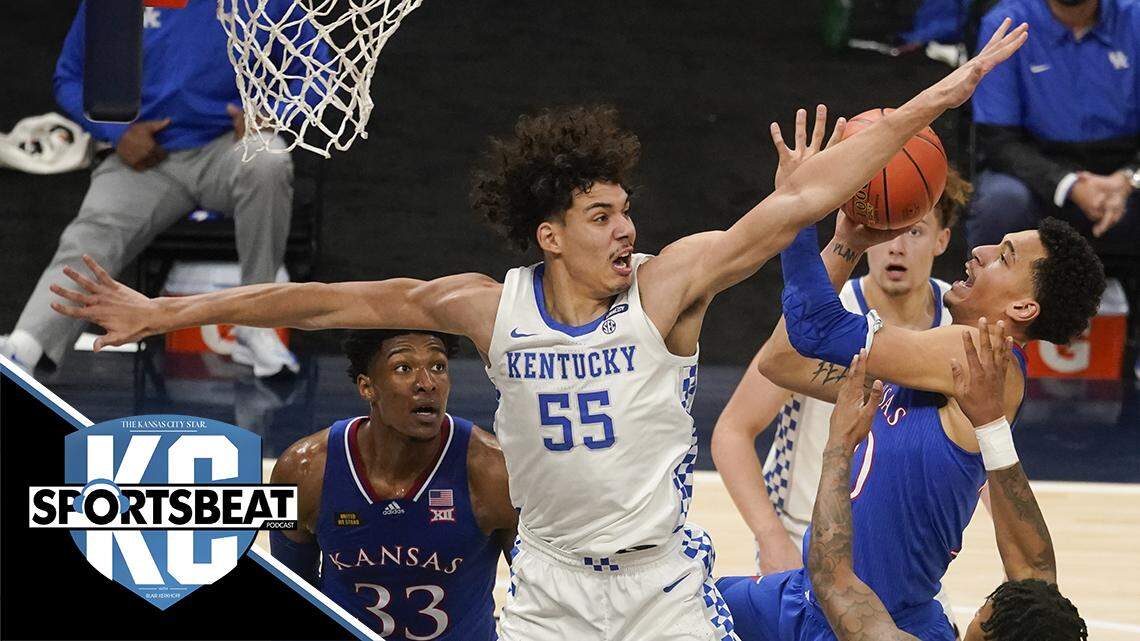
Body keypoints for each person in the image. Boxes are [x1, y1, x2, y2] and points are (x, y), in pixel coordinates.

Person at [50, 21, 1027, 640]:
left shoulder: (667, 287)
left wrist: (943, 95)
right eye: (604, 215)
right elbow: (315, 301)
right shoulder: (488, 306)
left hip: (661, 592)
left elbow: (806, 194)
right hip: (549, 594)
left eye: (627, 209)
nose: (629, 228)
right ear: (550, 232)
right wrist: (162, 311)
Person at [713, 117, 1104, 639]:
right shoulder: (933, 367)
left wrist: (801, 204)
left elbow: (814, 325)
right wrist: (847, 243)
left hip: (878, 620)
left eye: (1003, 257)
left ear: (1024, 305)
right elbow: (781, 361)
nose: (981, 252)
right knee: (661, 609)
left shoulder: (981, 356)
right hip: (804, 592)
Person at [0, 0, 322, 378]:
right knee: (93, 230)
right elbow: (70, 76)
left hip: (225, 148)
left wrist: (271, 114)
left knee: (268, 158)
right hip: (145, 154)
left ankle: (257, 323)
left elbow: (317, 72)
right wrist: (116, 132)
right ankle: (29, 344)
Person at [712, 152, 969, 575]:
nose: (897, 248)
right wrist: (770, 537)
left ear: (942, 239)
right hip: (803, 535)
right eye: (887, 231)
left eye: (914, 231)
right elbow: (732, 431)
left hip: (898, 540)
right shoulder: (828, 306)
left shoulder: (954, 322)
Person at [752, 331, 1086, 641]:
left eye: (987, 606)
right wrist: (990, 425)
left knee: (702, 606)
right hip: (804, 594)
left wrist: (839, 444)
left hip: (829, 602)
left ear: (986, 629)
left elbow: (832, 579)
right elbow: (1036, 571)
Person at [270, 329, 516, 641]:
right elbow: (292, 584)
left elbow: (540, 598)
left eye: (438, 366)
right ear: (367, 386)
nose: (427, 382)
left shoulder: (496, 471)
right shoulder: (298, 470)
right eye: (404, 368)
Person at [967, 0, 1140, 251]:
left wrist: (1129, 178)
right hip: (1038, 170)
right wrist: (1069, 184)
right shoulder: (1006, 23)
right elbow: (997, 140)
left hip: (1125, 167)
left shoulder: (1134, 18)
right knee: (1002, 200)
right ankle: (985, 288)